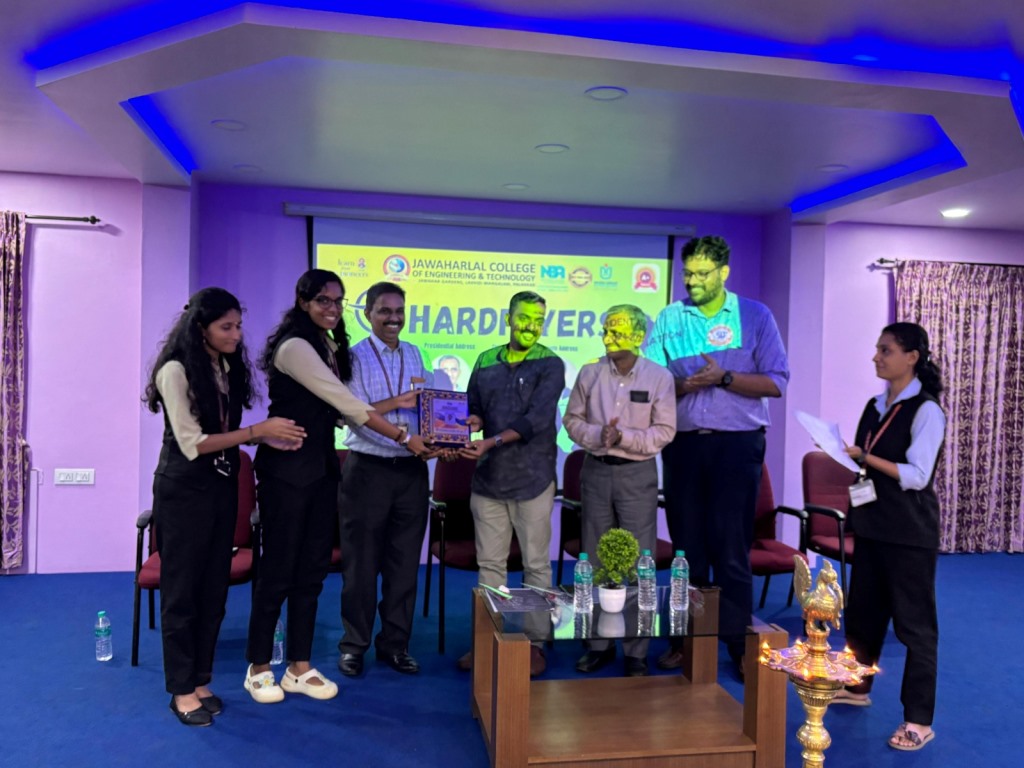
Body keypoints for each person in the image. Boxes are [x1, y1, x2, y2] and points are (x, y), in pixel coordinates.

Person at [244, 269, 430, 704]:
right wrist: (404, 436)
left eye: (337, 301)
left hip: (321, 468)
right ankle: (258, 667)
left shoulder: (327, 345)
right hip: (287, 470)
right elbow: (345, 404)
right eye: (323, 301)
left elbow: (340, 413)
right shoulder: (296, 346)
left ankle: (299, 666)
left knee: (310, 573)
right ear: (303, 301)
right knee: (278, 572)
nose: (332, 309)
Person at [144, 287, 307, 727]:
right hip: (183, 491)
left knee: (214, 591)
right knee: (182, 592)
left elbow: (225, 432)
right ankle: (180, 689)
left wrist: (262, 439)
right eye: (226, 327)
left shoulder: (225, 367)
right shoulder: (175, 370)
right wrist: (257, 431)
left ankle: (200, 680)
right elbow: (192, 443)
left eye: (238, 326)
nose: (236, 335)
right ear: (201, 328)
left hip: (221, 487)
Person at [646, 235, 789, 677]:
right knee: (687, 549)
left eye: (702, 274)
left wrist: (724, 378)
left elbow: (776, 382)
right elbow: (649, 383)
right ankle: (686, 641)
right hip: (684, 445)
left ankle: (739, 643)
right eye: (687, 273)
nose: (692, 282)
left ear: (724, 272)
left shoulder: (755, 316)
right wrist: (682, 385)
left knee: (731, 547)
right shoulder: (669, 317)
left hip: (737, 445)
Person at [833, 322, 946, 752]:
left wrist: (866, 457)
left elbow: (917, 475)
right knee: (863, 614)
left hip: (908, 533)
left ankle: (918, 720)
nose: (876, 357)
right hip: (871, 525)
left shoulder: (927, 410)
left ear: (912, 357)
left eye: (886, 350)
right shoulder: (875, 405)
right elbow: (866, 461)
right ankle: (857, 687)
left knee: (916, 628)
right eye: (877, 349)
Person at [563, 304, 676, 677]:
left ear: (639, 336)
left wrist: (624, 437)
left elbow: (665, 430)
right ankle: (598, 644)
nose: (607, 337)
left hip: (637, 474)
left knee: (638, 562)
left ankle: (635, 650)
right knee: (595, 560)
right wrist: (599, 435)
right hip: (595, 470)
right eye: (606, 329)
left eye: (616, 330)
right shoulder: (590, 372)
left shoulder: (659, 376)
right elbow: (571, 419)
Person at [457, 291, 565, 676]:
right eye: (524, 317)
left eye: (538, 319)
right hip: (489, 481)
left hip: (533, 480)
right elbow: (473, 406)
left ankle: (535, 643)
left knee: (536, 566)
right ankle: (488, 642)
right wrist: (470, 421)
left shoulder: (551, 363)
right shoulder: (486, 359)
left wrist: (491, 440)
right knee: (490, 567)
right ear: (508, 318)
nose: (530, 326)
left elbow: (537, 418)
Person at [337, 282, 439, 678]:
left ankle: (395, 645)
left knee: (404, 566)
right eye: (384, 311)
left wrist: (439, 437)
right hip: (368, 470)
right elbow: (352, 414)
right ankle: (354, 646)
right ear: (368, 314)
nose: (393, 318)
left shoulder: (415, 353)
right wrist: (397, 410)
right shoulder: (352, 358)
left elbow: (426, 408)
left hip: (411, 471)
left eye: (399, 311)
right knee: (361, 567)